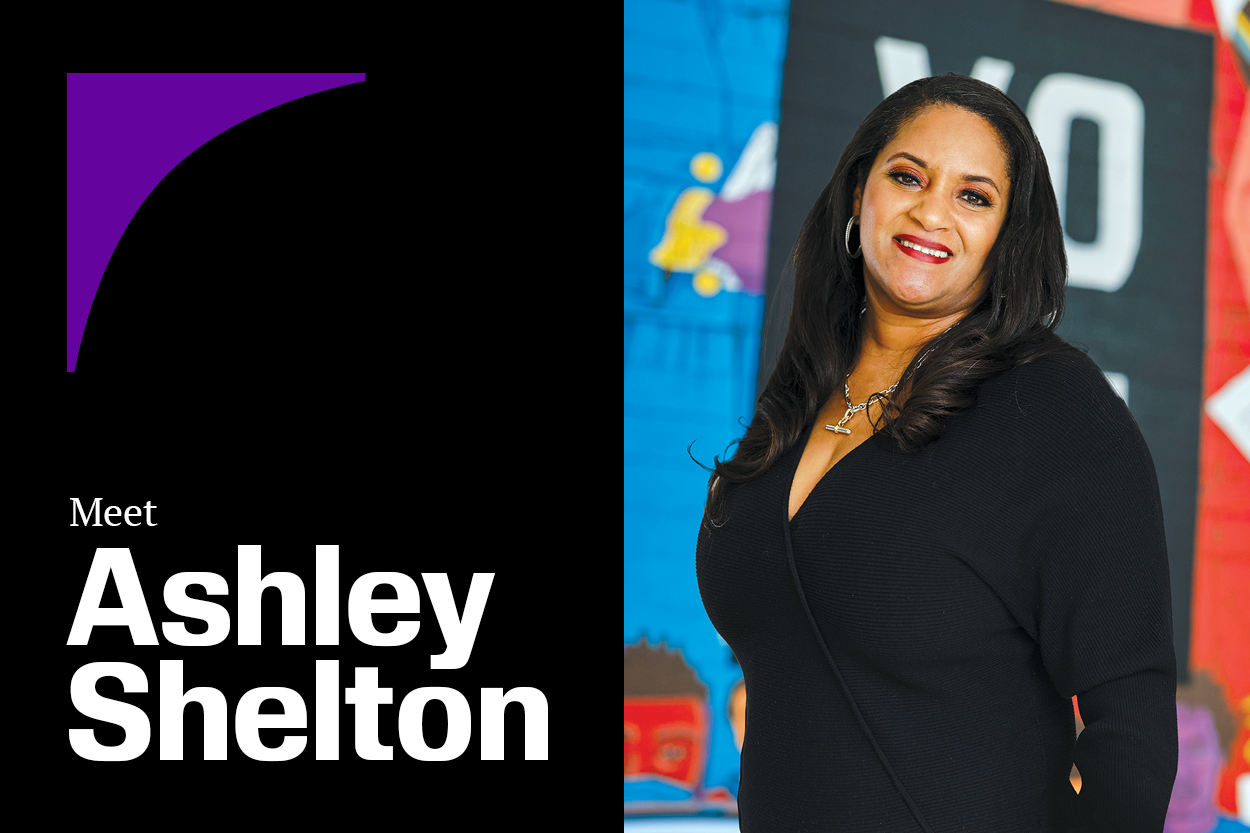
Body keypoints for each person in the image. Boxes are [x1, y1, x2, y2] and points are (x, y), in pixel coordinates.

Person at [695, 73, 1177, 832]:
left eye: (973, 196)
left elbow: (1134, 731)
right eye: (908, 176)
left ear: (1006, 237)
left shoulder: (1056, 410)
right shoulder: (802, 393)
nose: (930, 210)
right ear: (860, 195)